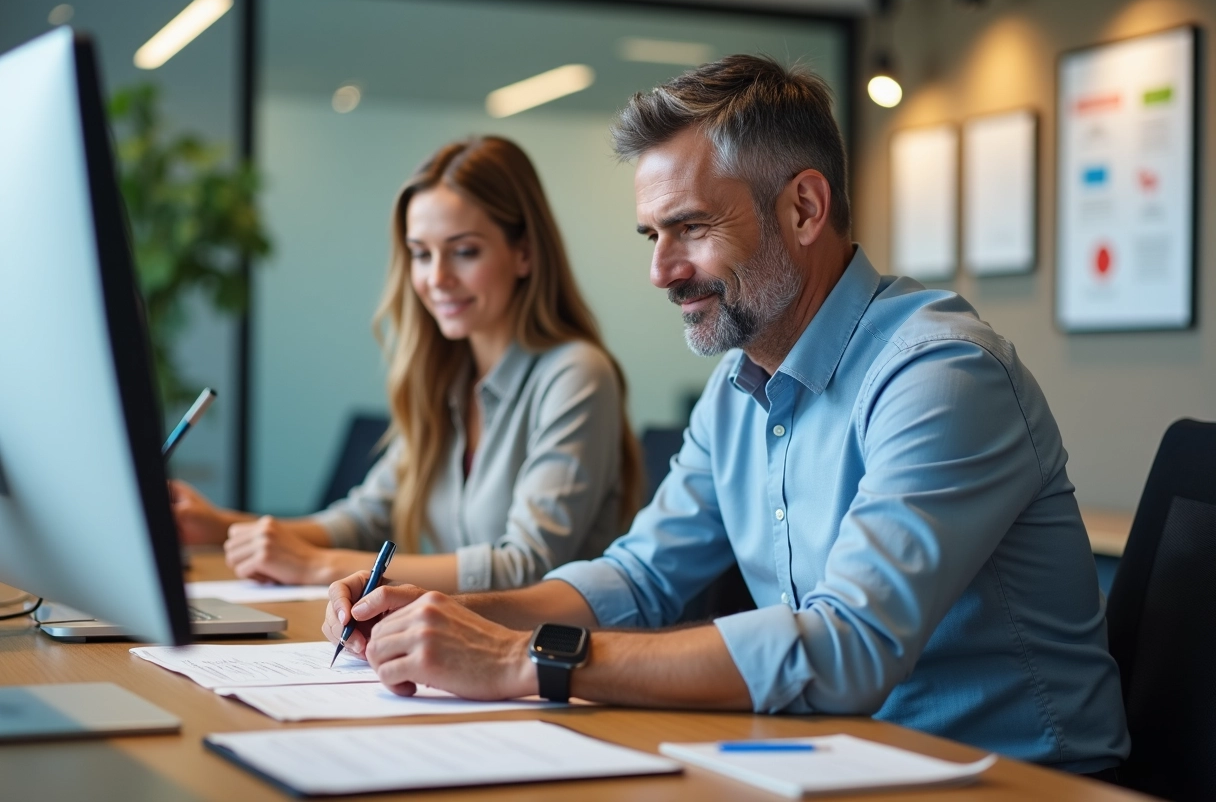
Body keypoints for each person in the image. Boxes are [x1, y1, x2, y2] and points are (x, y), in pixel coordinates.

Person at [321, 56, 1130, 774]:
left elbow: (847, 649)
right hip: (836, 761)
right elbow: (638, 577)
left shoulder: (942, 375)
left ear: (804, 209)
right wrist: (444, 618)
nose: (660, 270)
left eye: (691, 229)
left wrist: (521, 660)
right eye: (651, 234)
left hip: (1014, 780)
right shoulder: (738, 387)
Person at [174, 136, 641, 593]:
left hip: (542, 657)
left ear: (524, 253)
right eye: (421, 254)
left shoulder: (577, 374)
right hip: (453, 646)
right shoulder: (447, 379)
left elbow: (528, 566)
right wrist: (218, 527)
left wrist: (320, 566)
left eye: (464, 251)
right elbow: (363, 520)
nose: (437, 278)